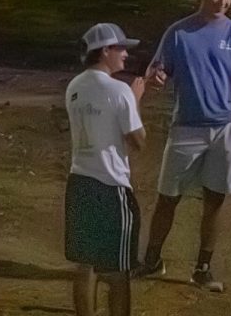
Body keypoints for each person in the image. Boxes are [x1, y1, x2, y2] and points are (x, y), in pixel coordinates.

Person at [138, 0, 231, 291]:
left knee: (214, 200)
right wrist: (156, 76)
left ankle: (203, 267)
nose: (223, 2)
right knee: (168, 197)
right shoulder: (179, 33)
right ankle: (152, 259)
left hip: (224, 129)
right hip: (186, 128)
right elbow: (157, 68)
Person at [66, 23, 148, 316]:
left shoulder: (74, 86)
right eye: (121, 48)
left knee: (85, 263)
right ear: (105, 51)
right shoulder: (120, 91)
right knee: (118, 271)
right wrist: (135, 100)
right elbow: (138, 141)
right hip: (111, 186)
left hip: (79, 181)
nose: (125, 55)